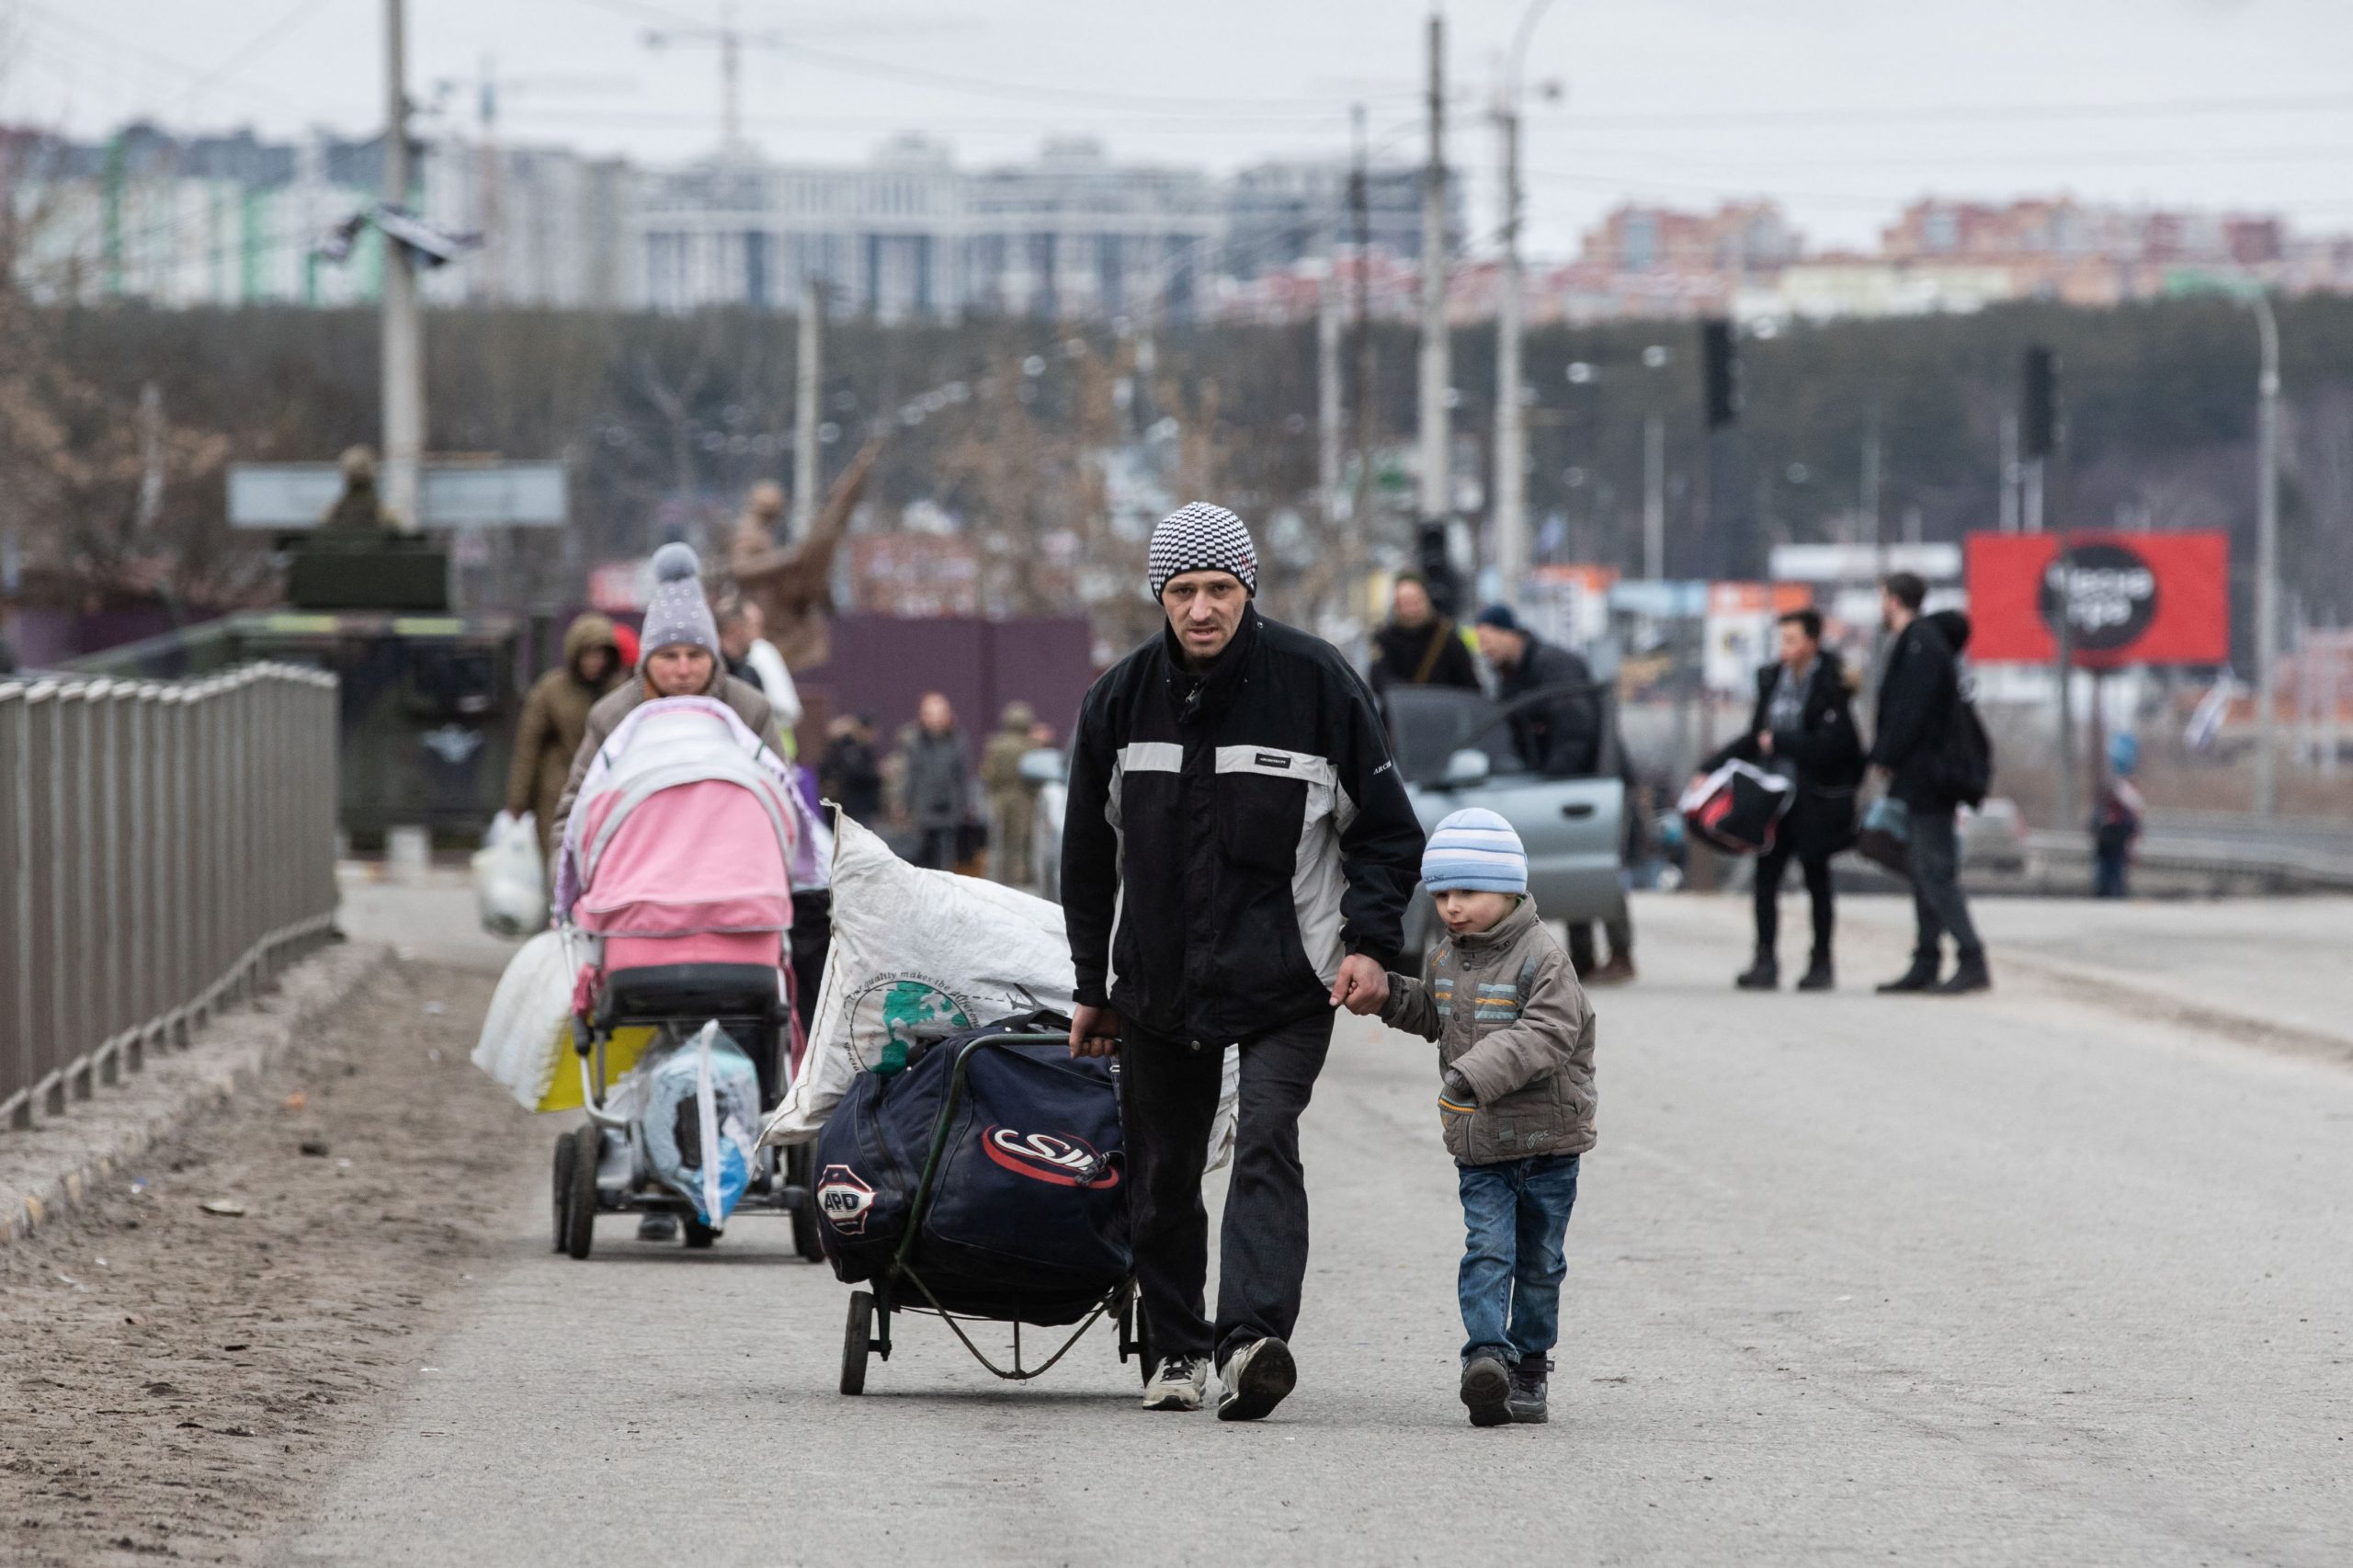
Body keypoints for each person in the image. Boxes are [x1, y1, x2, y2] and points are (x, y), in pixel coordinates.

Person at [1062, 502, 1425, 1422]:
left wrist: (1371, 944)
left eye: (1218, 587)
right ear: (1159, 596)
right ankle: (1176, 1350)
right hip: (1159, 980)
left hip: (1287, 976)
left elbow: (1388, 834)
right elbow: (1081, 860)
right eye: (1181, 590)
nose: (1200, 608)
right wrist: (1091, 989)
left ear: (1248, 587)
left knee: (1265, 1135)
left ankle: (1252, 1339)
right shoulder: (1116, 699)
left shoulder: (1316, 683)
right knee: (1162, 1168)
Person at [553, 542, 789, 1242]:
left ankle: (725, 1149)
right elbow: (578, 808)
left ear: (714, 657)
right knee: (643, 1038)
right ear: (645, 661)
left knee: (754, 1027)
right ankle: (659, 1176)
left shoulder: (746, 710)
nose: (683, 668)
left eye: (695, 656)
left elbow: (775, 796)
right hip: (640, 909)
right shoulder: (613, 719)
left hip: (735, 903)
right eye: (669, 656)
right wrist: (572, 880)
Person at [1357, 808, 1594, 1427]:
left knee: (1540, 1263)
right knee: (1487, 1252)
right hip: (1483, 1146)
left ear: (1510, 890)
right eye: (1442, 894)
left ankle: (1530, 1368)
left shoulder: (1545, 959)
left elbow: (1548, 1033)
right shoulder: (1446, 960)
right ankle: (1486, 1359)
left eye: (1467, 892)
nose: (1452, 907)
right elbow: (1433, 1015)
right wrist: (1389, 997)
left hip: (1548, 1144)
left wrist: (1472, 1073)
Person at [1700, 607, 1864, 991]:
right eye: (1782, 639)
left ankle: (1821, 963)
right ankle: (1765, 960)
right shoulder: (1772, 680)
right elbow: (1756, 736)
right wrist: (1710, 766)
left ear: (1812, 642)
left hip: (1815, 800)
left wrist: (1782, 742)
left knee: (1816, 879)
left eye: (1792, 639)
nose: (1784, 647)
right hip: (1772, 799)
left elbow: (1836, 747)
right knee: (1765, 879)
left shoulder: (1831, 686)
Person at [1471, 605, 1631, 983]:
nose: (1487, 651)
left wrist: (1553, 783)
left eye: (1490, 641)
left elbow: (1575, 729)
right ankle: (1585, 958)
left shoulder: (1552, 665)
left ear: (1513, 634)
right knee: (1573, 864)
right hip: (1563, 781)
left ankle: (1621, 953)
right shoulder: (1511, 677)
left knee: (1598, 865)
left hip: (1589, 781)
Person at [1869, 573, 1990, 994]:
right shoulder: (1923, 641)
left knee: (1935, 870)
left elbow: (1911, 708)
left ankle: (1971, 958)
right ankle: (1926, 960)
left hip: (1930, 777)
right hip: (1923, 774)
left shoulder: (1920, 642)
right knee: (1923, 869)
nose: (1879, 605)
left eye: (1882, 597)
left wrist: (1886, 754)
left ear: (1895, 599)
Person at [506, 613, 627, 864]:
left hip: (608, 788)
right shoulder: (551, 690)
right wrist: (518, 799)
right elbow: (528, 746)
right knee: (558, 863)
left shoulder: (620, 691)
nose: (594, 661)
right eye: (587, 653)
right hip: (557, 792)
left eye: (600, 654)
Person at [1369, 572, 1482, 696]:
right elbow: (1379, 680)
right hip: (1399, 712)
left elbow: (1469, 685)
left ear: (1426, 600)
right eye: (1404, 603)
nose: (1410, 609)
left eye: (1415, 601)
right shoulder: (1384, 639)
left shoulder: (1445, 636)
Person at [898, 693, 969, 871]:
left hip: (948, 810)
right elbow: (911, 775)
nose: (935, 719)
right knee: (922, 859)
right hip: (924, 810)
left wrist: (963, 804)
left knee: (945, 861)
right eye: (930, 714)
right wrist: (904, 804)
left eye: (939, 713)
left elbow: (962, 776)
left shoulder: (958, 741)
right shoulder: (916, 742)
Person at [978, 699, 1040, 888]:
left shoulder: (995, 745)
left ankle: (995, 879)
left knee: (998, 842)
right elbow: (1036, 778)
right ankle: (1020, 880)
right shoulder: (1030, 746)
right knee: (1021, 843)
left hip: (999, 799)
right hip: (1024, 801)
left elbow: (987, 773)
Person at [2091, 733, 2144, 899]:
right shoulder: (2106, 807)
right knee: (2107, 875)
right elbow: (2094, 824)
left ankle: (2114, 895)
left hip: (2114, 846)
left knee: (2114, 874)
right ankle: (2107, 894)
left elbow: (2133, 824)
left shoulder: (2124, 805)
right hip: (2107, 847)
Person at [818, 714, 884, 826]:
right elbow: (854, 774)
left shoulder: (864, 749)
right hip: (852, 806)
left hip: (862, 807)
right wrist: (877, 774)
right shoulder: (848, 749)